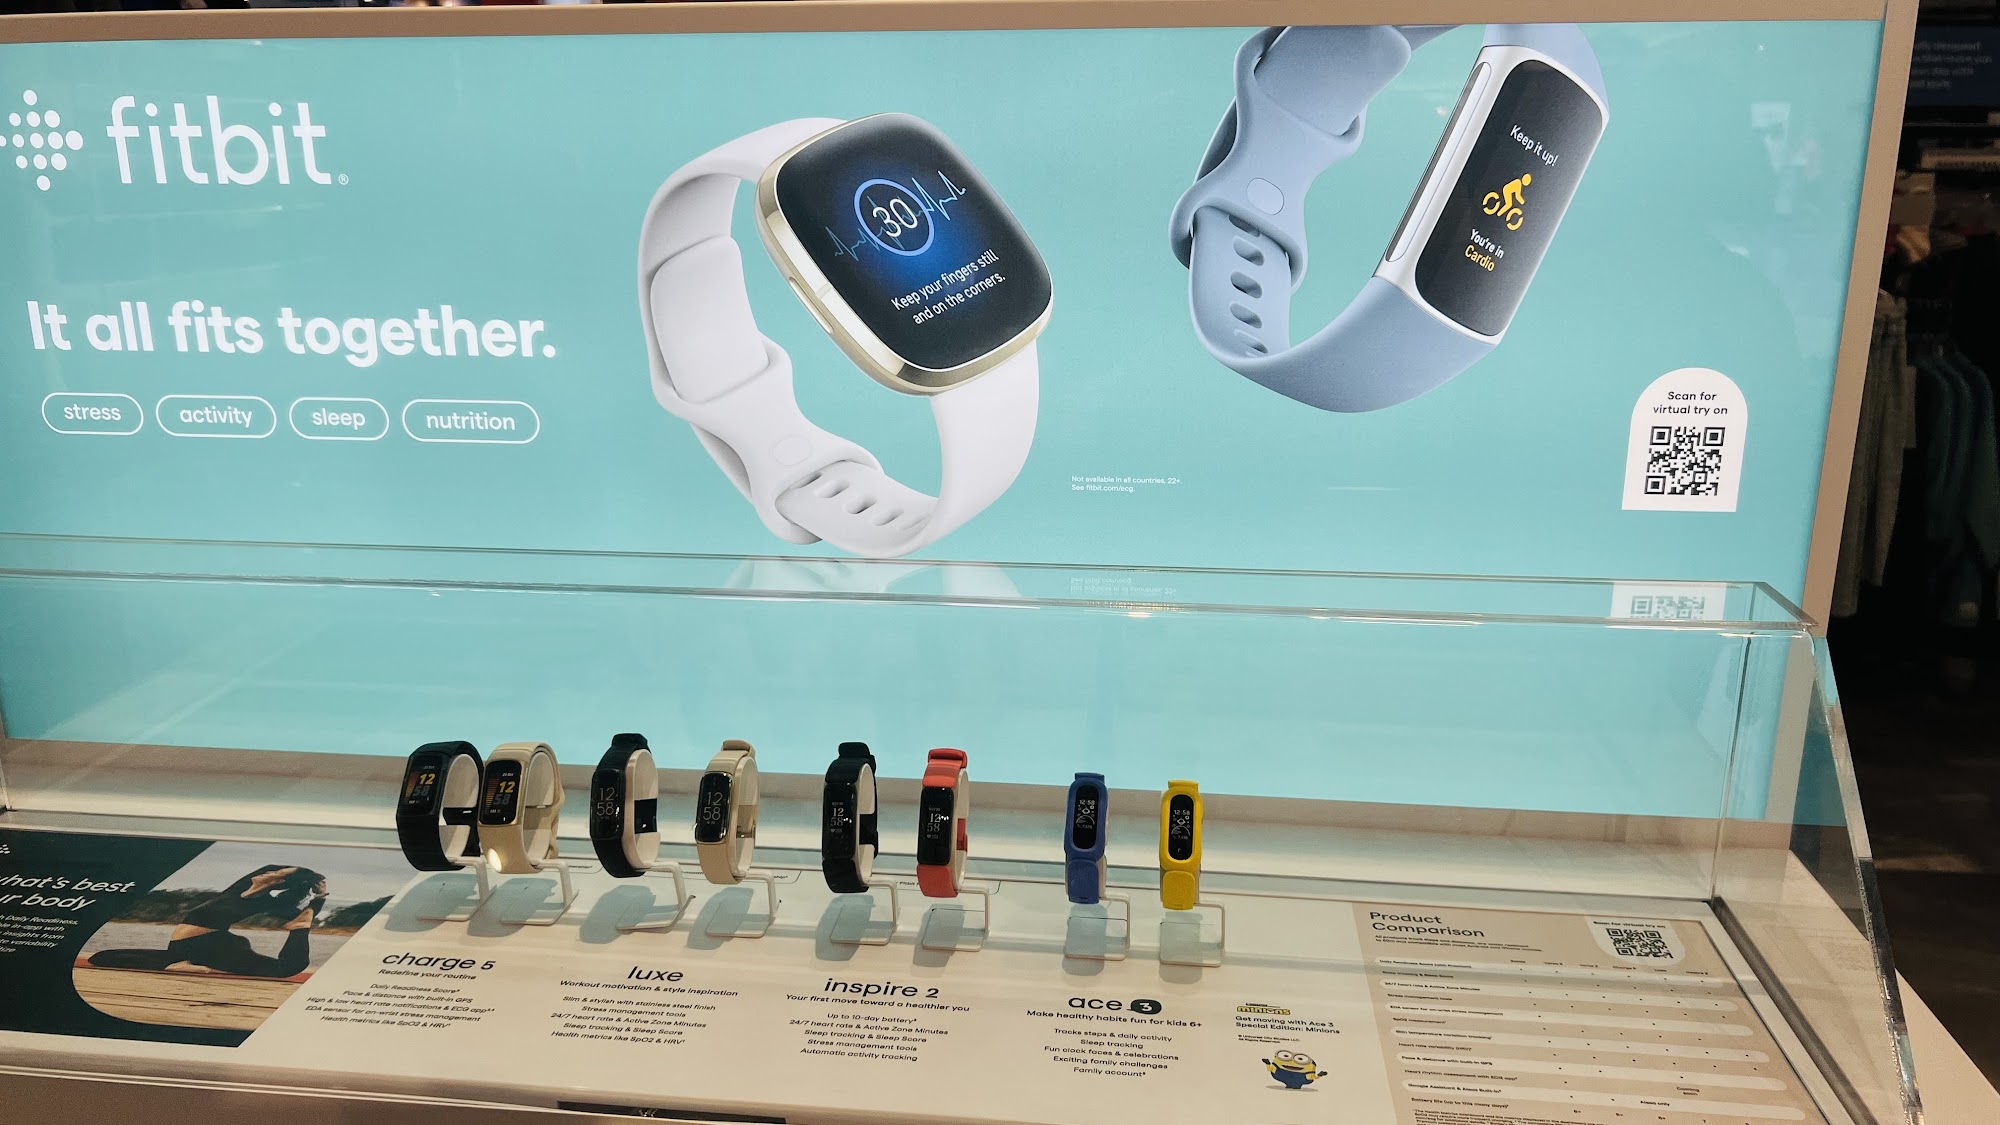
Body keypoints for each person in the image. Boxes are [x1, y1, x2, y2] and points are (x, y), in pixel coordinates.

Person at [88, 865, 328, 978]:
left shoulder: (264, 901)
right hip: (195, 948)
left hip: (207, 945)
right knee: (101, 957)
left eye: (277, 875)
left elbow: (286, 892)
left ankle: (298, 927)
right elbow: (269, 873)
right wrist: (307, 882)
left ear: (279, 883)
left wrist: (319, 897)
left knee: (285, 968)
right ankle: (178, 965)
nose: (269, 873)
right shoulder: (243, 889)